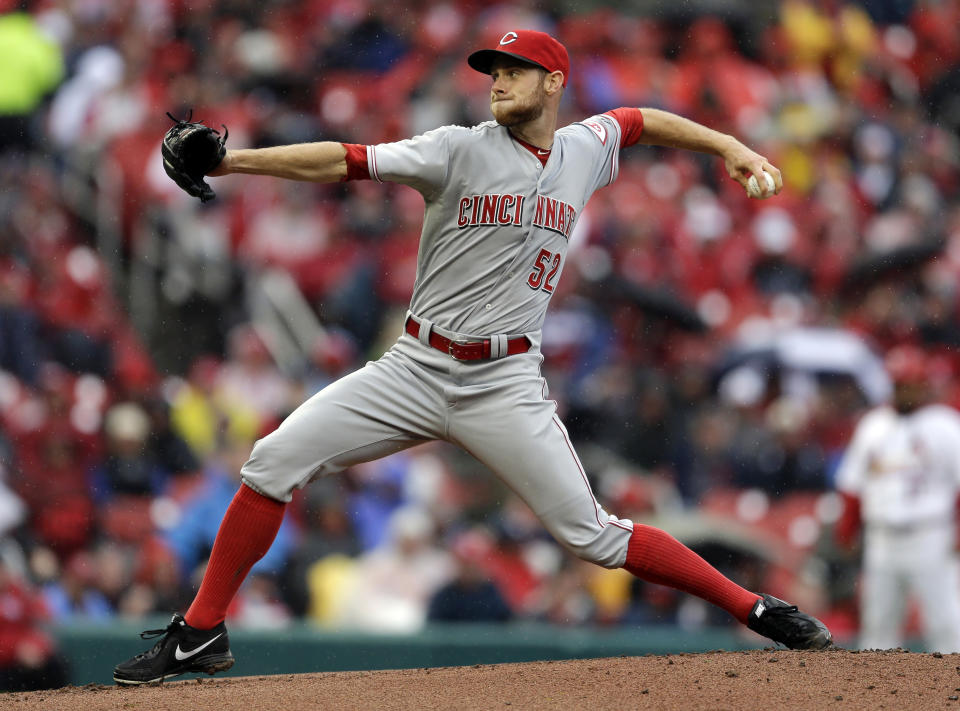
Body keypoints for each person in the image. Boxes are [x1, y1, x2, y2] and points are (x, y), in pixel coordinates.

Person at [114, 29, 831, 685]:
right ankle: (201, 630)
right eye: (493, 70)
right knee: (271, 461)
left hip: (505, 382)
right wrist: (235, 161)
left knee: (594, 535)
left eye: (515, 71)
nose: (497, 81)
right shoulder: (457, 147)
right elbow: (346, 160)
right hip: (415, 367)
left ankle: (758, 610)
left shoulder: (585, 148)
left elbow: (642, 119)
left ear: (554, 83)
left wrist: (728, 146)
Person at [834, 344, 960, 652]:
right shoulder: (873, 425)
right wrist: (847, 529)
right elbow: (853, 486)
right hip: (882, 538)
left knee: (945, 624)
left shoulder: (945, 424)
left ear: (923, 384)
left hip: (931, 535)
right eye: (899, 384)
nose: (905, 390)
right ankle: (876, 697)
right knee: (878, 627)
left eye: (910, 383)